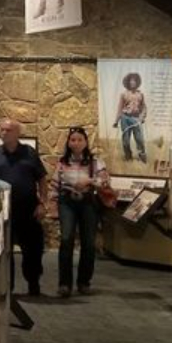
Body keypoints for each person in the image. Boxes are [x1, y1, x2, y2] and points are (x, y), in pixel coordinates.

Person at [0, 118, 48, 296]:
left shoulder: (29, 153)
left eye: (8, 130)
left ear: (18, 133)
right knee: (4, 251)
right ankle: (7, 287)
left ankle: (33, 282)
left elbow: (42, 179)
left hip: (28, 209)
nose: (3, 133)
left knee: (32, 250)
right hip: (2, 210)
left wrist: (43, 203)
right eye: (1, 129)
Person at [54, 127, 108, 297]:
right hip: (67, 201)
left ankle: (84, 282)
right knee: (66, 239)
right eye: (73, 140)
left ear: (85, 142)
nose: (76, 143)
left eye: (79, 140)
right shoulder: (62, 162)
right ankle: (64, 284)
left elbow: (104, 182)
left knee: (88, 242)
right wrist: (51, 203)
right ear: (68, 142)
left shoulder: (96, 162)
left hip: (88, 202)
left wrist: (89, 181)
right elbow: (55, 184)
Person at [113, 72, 147, 162]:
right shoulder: (123, 94)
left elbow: (144, 107)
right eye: (131, 81)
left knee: (139, 139)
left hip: (136, 118)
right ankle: (128, 157)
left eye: (134, 81)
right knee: (126, 141)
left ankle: (142, 157)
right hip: (125, 118)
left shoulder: (140, 94)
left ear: (137, 82)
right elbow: (120, 108)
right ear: (128, 83)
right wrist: (116, 121)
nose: (132, 82)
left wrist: (142, 117)